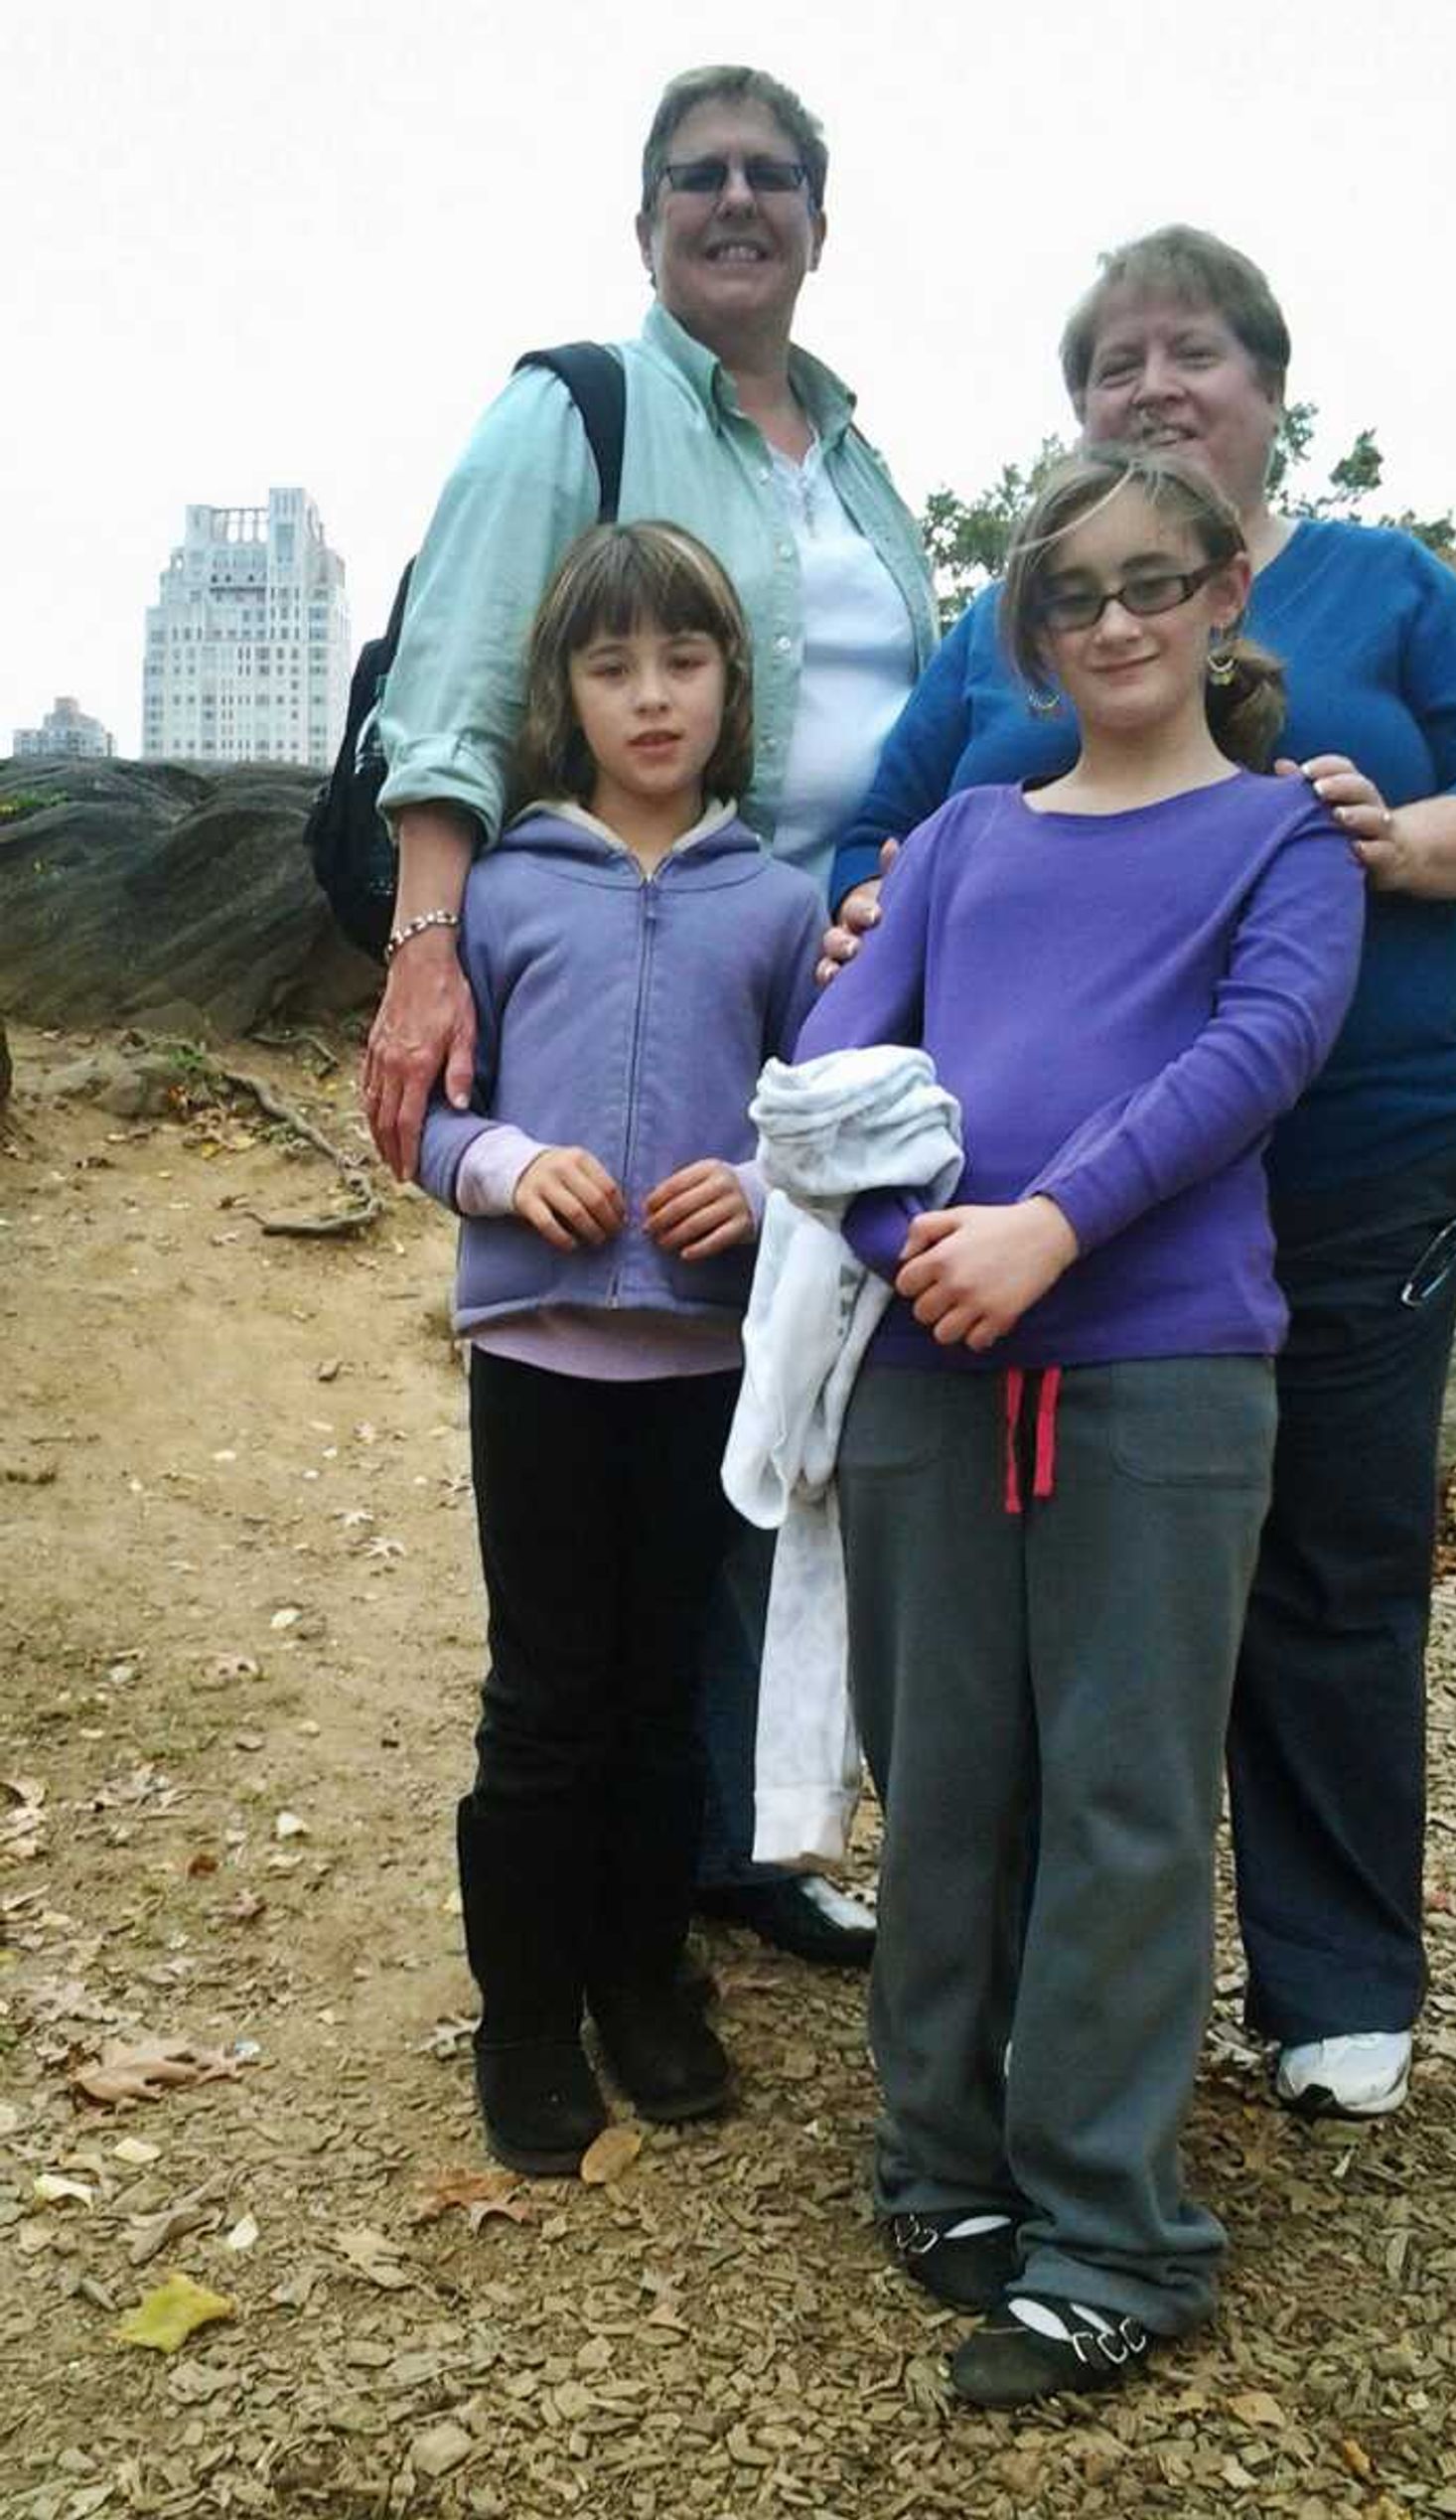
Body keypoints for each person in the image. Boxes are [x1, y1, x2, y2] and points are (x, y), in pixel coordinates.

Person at [822, 227, 1456, 2121]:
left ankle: (1330, 1979)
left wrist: (1401, 842)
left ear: (1270, 389)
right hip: (1028, 1236)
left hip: (1350, 1162)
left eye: (1199, 352)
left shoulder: (1387, 591)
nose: (1159, 384)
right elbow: (877, 831)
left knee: (1328, 1567)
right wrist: (879, 910)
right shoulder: (1003, 642)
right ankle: (1025, 1996)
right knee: (1046, 1631)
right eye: (1118, 363)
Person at [799, 448, 1365, 2406]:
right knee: (941, 1781)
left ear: (1222, 597)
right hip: (927, 1371)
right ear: (1029, 628)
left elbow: (1260, 1052)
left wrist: (1052, 1228)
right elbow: (827, 1062)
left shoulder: (1283, 837)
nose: (1115, 621)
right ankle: (937, 2161)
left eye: (1154, 583)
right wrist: (915, 1242)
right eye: (1075, 595)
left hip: (1161, 1375)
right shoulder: (960, 836)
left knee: (1125, 1802)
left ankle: (1115, 2232)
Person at [366, 64, 937, 1966]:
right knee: (590, 1586)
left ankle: (719, 1846)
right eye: (700, 173)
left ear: (821, 221)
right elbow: (452, 670)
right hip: (587, 952)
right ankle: (623, 1903)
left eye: (776, 173)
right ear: (646, 220)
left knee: (774, 1425)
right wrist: (430, 933)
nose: (738, 199)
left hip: (812, 962)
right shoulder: (576, 410)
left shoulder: (862, 469)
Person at [416, 520, 824, 2171]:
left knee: (666, 1699)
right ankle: (521, 2013)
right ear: (564, 692)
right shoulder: (501, 891)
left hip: (703, 1373)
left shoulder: (782, 903)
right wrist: (510, 1166)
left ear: (732, 685)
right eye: (611, 666)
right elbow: (431, 1123)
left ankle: (645, 1981)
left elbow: (826, 1123)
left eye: (683, 660)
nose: (650, 697)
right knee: (544, 1699)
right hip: (538, 1363)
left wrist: (755, 1180)